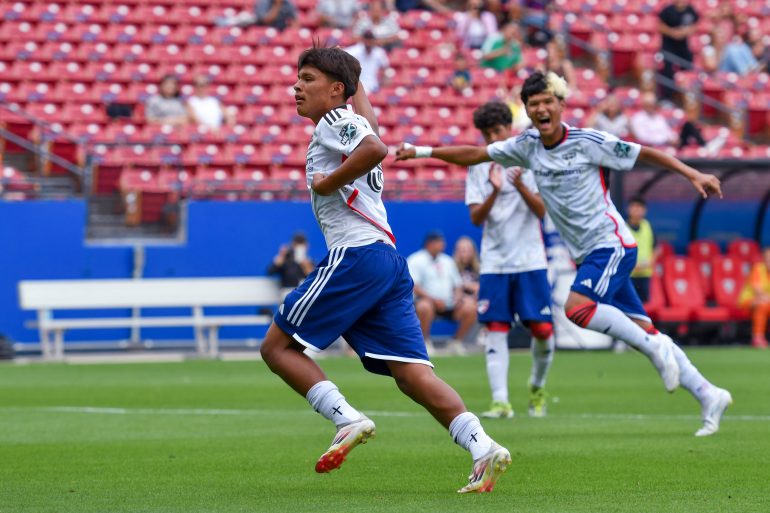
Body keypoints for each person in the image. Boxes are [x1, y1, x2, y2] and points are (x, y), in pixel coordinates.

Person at [396, 70, 732, 437]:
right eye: (533, 103)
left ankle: (654, 348)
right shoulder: (526, 146)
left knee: (577, 308)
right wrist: (422, 151)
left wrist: (691, 174)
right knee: (641, 326)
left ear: (560, 104)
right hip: (588, 254)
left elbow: (644, 153)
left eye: (546, 101)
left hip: (612, 244)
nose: (541, 108)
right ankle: (708, 393)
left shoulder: (588, 141)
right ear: (527, 110)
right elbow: (476, 153)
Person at [259, 45, 511, 494]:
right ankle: (482, 446)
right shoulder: (353, 119)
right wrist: (355, 76)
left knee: (276, 348)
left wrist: (326, 181)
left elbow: (375, 147)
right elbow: (371, 130)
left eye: (308, 79)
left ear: (336, 91)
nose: (296, 86)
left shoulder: (334, 123)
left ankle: (346, 419)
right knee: (413, 374)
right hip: (387, 263)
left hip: (355, 256)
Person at [463, 101, 555, 419]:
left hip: (531, 258)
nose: (493, 138)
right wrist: (494, 191)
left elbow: (543, 211)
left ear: (509, 128)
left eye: (498, 131)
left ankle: (537, 385)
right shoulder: (478, 165)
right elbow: (476, 217)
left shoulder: (530, 159)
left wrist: (518, 186)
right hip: (495, 261)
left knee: (543, 329)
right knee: (497, 328)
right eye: (487, 134)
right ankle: (501, 401)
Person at [407, 232, 478, 352]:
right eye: (439, 242)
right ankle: (425, 342)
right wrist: (434, 300)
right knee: (424, 306)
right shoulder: (416, 260)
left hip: (449, 304)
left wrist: (457, 298)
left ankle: (456, 342)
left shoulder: (447, 261)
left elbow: (457, 285)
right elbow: (415, 286)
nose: (443, 245)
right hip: (427, 303)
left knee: (470, 306)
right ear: (430, 244)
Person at [630, 92, 705, 149]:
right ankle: (705, 146)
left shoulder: (658, 117)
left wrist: (674, 139)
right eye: (649, 104)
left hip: (669, 144)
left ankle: (705, 147)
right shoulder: (638, 118)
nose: (652, 107)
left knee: (689, 126)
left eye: (653, 104)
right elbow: (643, 138)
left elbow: (667, 131)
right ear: (644, 105)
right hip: (654, 147)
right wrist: (666, 139)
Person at [658, 0, 699, 100]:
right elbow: (660, 26)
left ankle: (685, 95)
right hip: (668, 44)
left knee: (688, 67)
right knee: (668, 69)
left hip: (683, 45)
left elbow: (695, 25)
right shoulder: (668, 10)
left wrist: (684, 32)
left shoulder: (690, 10)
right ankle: (667, 97)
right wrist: (672, 32)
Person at [738, 247, 770, 349]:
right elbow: (758, 291)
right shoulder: (757, 269)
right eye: (768, 258)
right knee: (762, 305)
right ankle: (757, 337)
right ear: (763, 259)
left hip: (767, 301)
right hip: (749, 300)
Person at [625, 197, 654, 303]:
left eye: (640, 207)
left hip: (645, 274)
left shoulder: (647, 226)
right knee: (630, 304)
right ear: (628, 209)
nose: (637, 210)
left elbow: (655, 247)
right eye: (634, 207)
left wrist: (652, 260)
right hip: (629, 275)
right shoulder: (623, 228)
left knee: (645, 305)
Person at [214, 0, 297, 30]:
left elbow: (295, 21)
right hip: (261, 27)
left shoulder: (288, 3)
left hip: (279, 29)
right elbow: (266, 21)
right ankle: (229, 22)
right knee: (245, 17)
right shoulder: (264, 2)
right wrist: (277, 5)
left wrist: (289, 34)